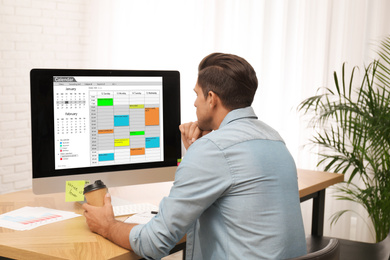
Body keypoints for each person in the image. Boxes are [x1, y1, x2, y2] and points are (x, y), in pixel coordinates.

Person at [83, 53, 307, 259]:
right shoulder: (274, 137)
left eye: (196, 94)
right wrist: (198, 152)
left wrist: (107, 225)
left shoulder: (213, 150)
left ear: (211, 98)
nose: (194, 102)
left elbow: (155, 242)